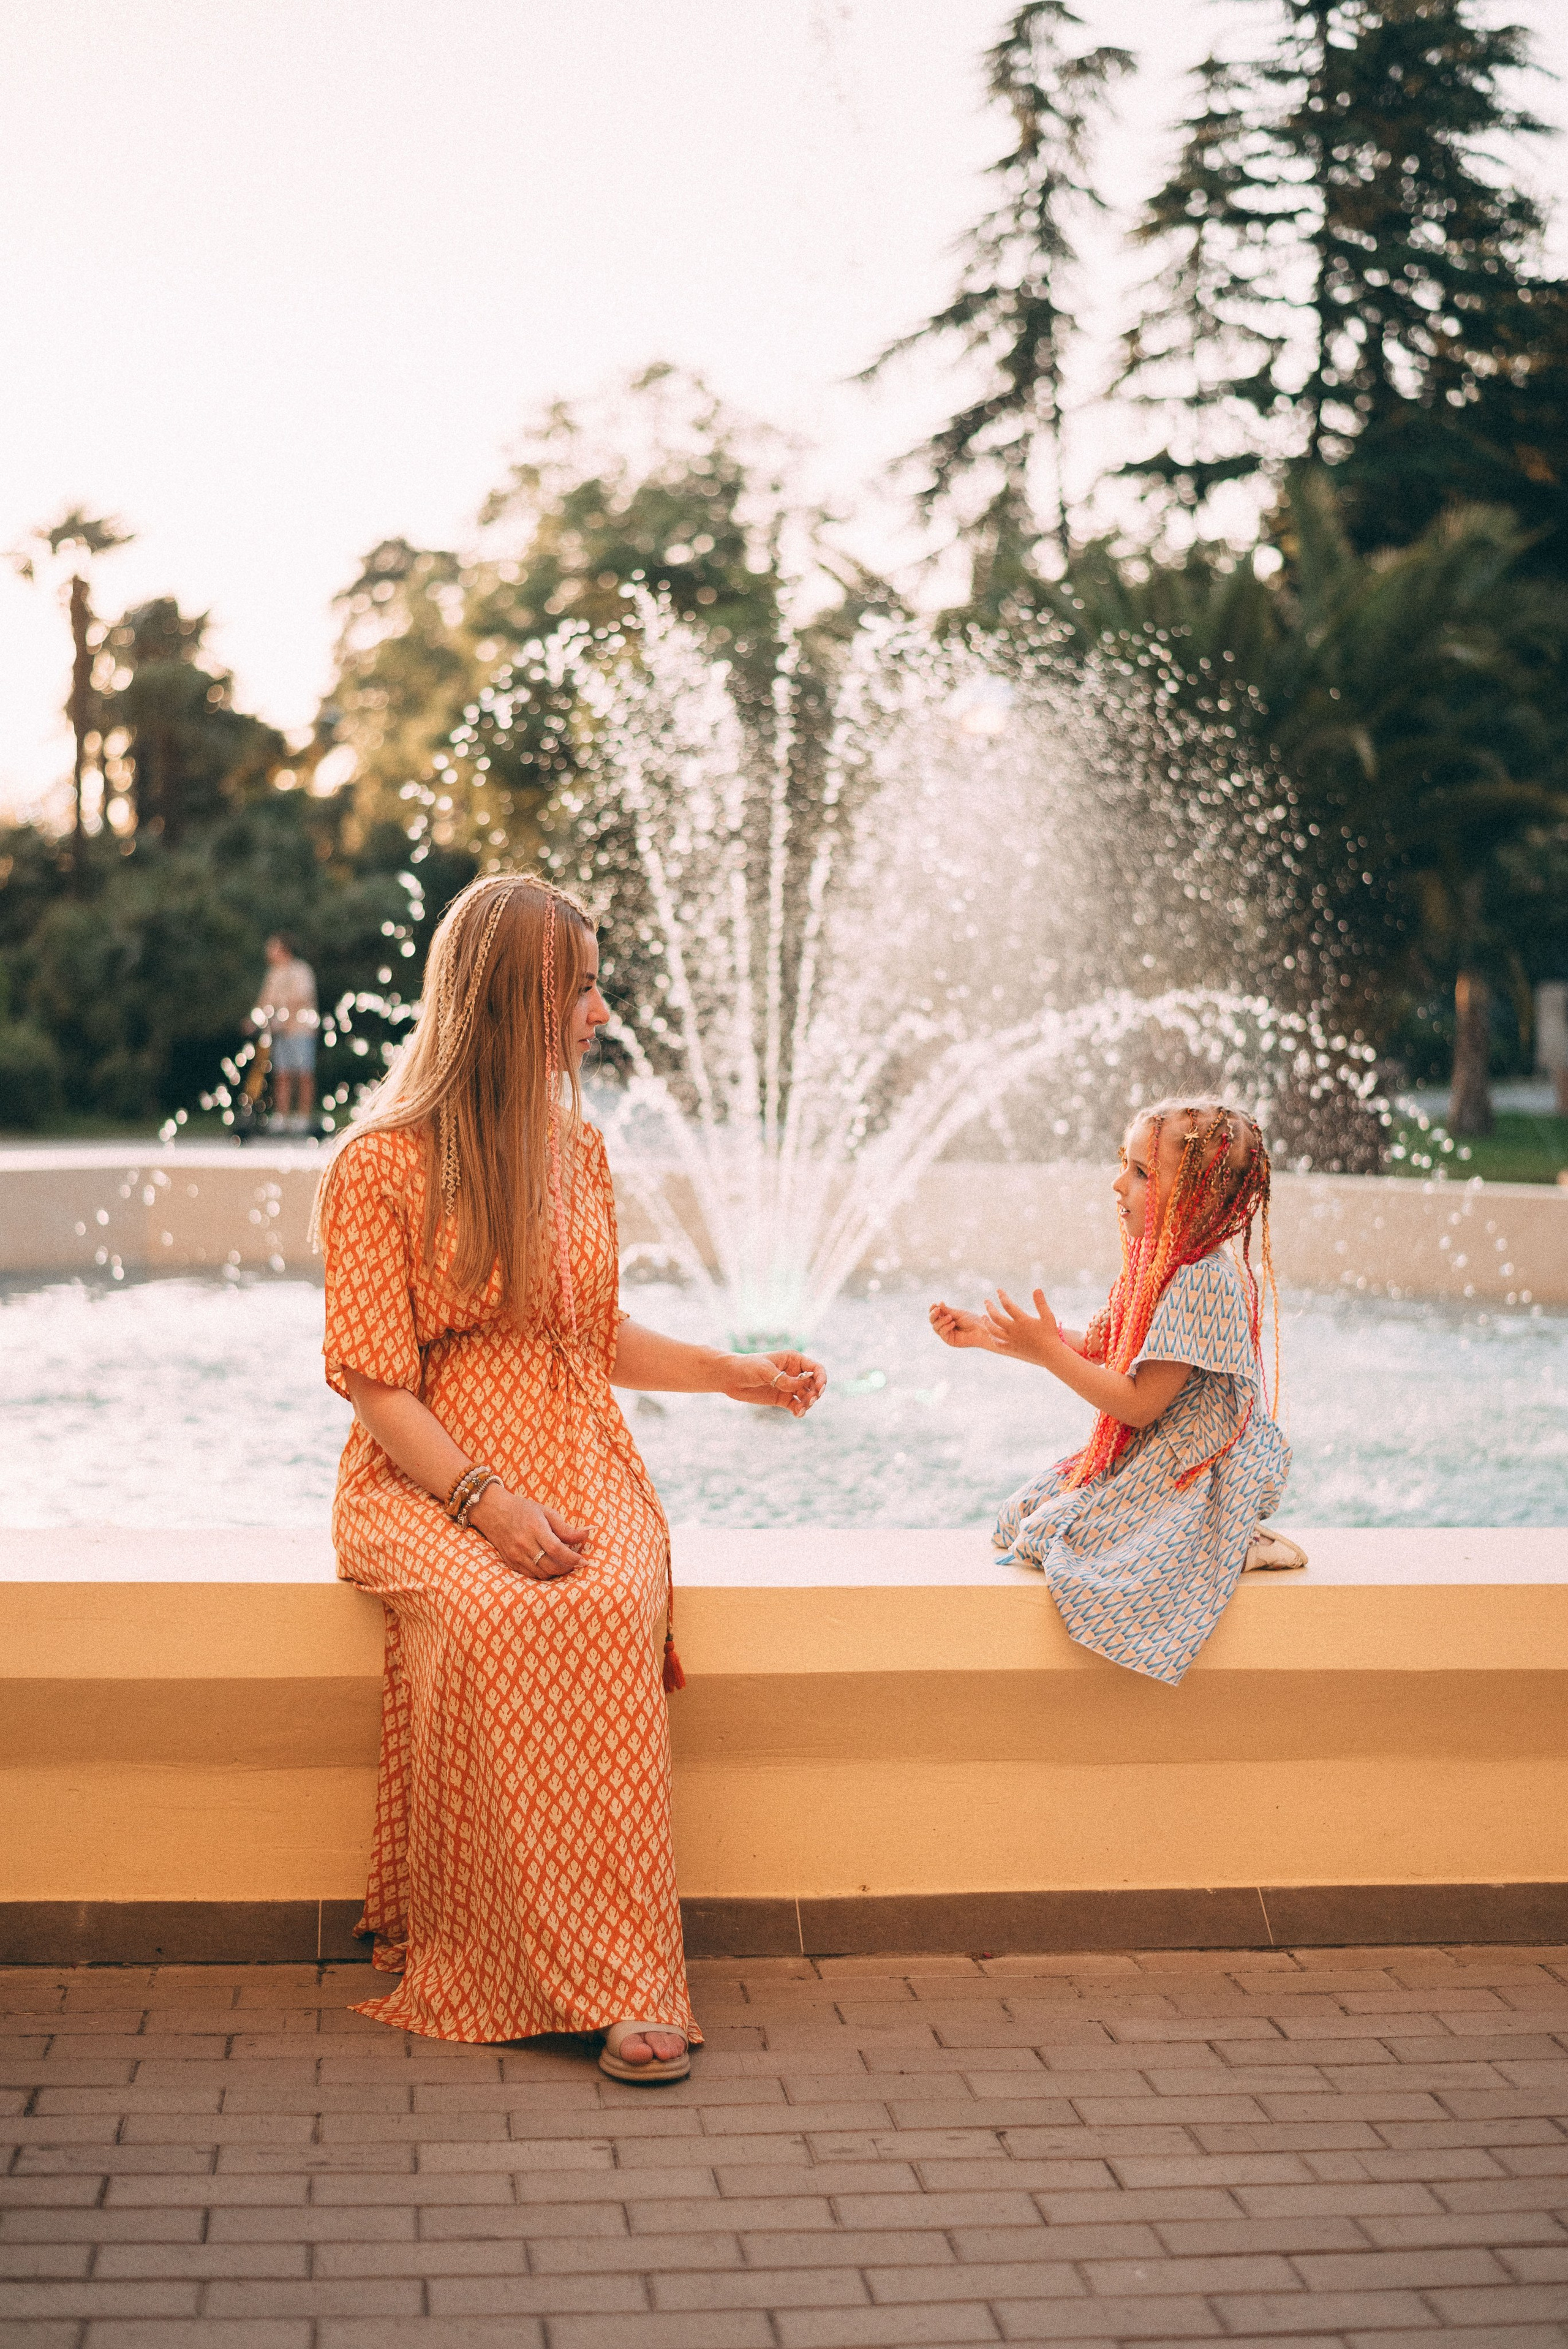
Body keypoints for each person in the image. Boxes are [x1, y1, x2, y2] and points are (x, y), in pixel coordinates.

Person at [312, 873, 824, 2073]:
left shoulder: (578, 1153)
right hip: (420, 1477)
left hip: (583, 1459)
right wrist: (483, 1505)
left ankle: (625, 1974)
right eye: (579, 988)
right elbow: (380, 1389)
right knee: (497, 1616)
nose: (600, 1012)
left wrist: (738, 1374)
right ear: (507, 1000)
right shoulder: (378, 1168)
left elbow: (594, 1335)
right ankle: (507, 1958)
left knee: (600, 1604)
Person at [929, 1098, 1299, 1687]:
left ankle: (1227, 1538)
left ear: (1197, 1195)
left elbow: (1137, 1402)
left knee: (1071, 1551)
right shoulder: (1161, 1263)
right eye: (1124, 1164)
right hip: (1153, 1453)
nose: (1117, 1182)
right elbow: (1102, 1350)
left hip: (1191, 1469)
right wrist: (993, 1337)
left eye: (1142, 1172)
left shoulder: (1204, 1277)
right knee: (1021, 1519)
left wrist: (1048, 1350)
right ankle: (1216, 1540)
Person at [256, 933, 318, 1132]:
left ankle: (303, 1119)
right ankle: (281, 1118)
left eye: (272, 947)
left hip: (301, 1030)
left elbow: (302, 997)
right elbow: (264, 1000)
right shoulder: (273, 974)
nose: (268, 952)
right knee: (281, 1075)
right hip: (279, 1033)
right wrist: (255, 1019)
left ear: (283, 949)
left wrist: (280, 1010)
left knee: (304, 1074)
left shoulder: (301, 970)